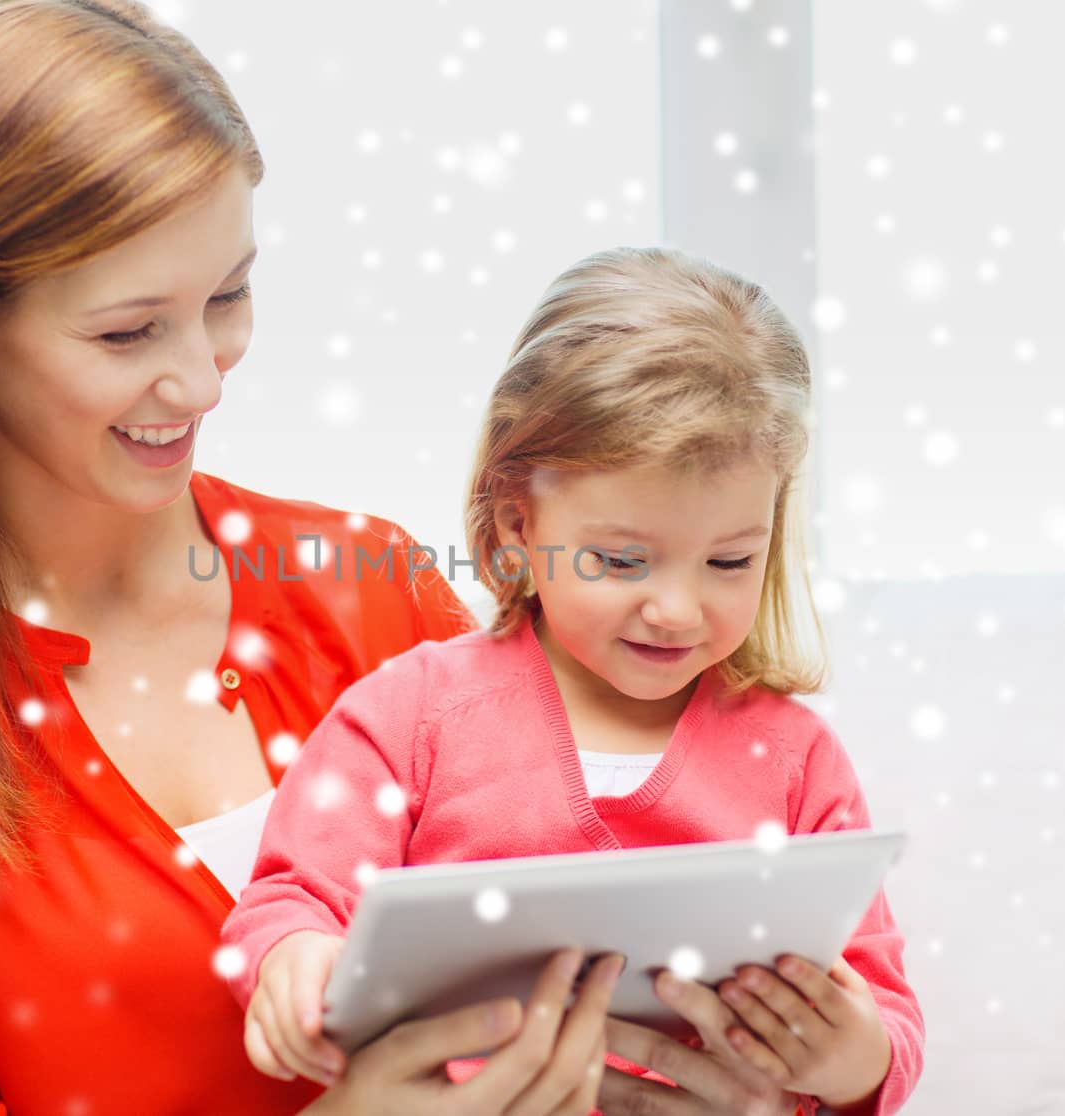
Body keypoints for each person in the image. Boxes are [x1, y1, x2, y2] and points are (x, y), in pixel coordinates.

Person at [0, 2, 664, 1113]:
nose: (201, 381)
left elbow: (605, 928)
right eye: (125, 332)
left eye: (227, 298)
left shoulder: (376, 585)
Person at [222, 247, 927, 1115]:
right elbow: (291, 899)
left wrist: (850, 1057)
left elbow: (885, 1017)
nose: (677, 608)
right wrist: (293, 962)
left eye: (730, 560)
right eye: (624, 559)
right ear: (519, 522)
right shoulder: (408, 717)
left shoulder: (794, 758)